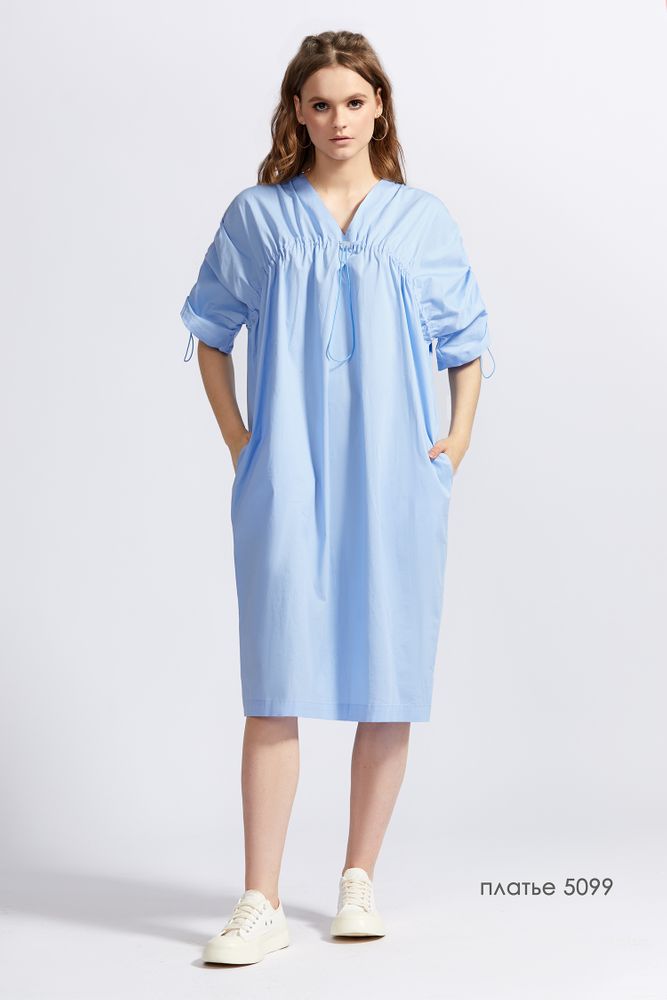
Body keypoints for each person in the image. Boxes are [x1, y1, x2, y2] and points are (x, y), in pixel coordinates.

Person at [180, 30, 495, 966]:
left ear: (378, 106)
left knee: (387, 669)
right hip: (286, 471)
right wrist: (241, 441)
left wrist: (456, 439)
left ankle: (358, 877)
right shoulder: (259, 218)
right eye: (319, 104)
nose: (338, 120)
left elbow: (465, 340)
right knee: (274, 677)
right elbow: (209, 331)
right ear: (297, 114)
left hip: (396, 472)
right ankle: (261, 899)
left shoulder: (420, 220)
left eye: (353, 102)